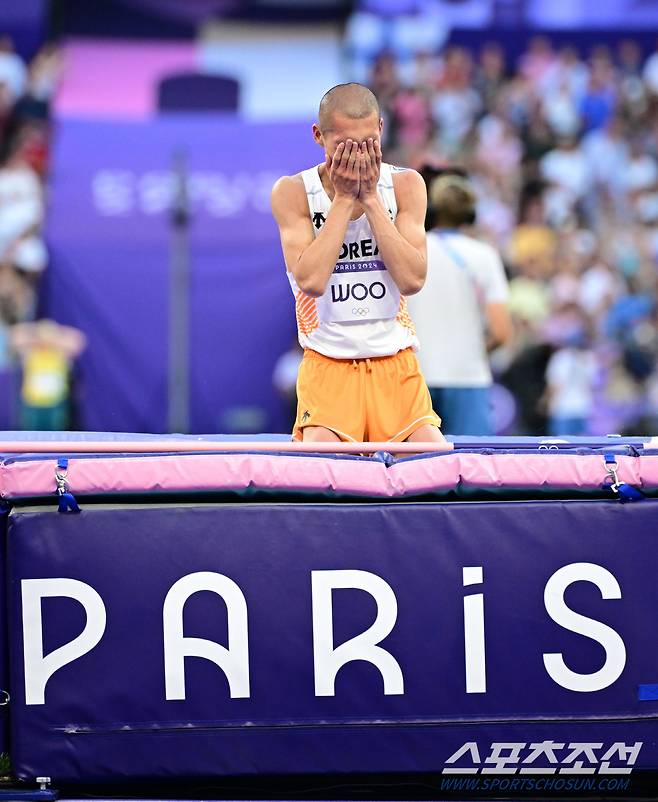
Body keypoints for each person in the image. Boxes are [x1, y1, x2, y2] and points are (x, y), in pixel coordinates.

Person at [270, 82, 444, 445]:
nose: (359, 157)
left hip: (395, 363)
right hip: (328, 362)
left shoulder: (406, 185)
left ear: (381, 128)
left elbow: (413, 279)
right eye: (345, 147)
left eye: (368, 144)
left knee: (431, 464)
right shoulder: (293, 192)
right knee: (325, 472)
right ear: (319, 136)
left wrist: (371, 201)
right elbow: (311, 281)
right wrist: (345, 200)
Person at [408, 173, 512, 435]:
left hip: (415, 377)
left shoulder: (410, 250)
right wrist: (472, 352)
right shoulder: (484, 255)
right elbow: (501, 332)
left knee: (416, 469)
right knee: (471, 468)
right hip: (468, 377)